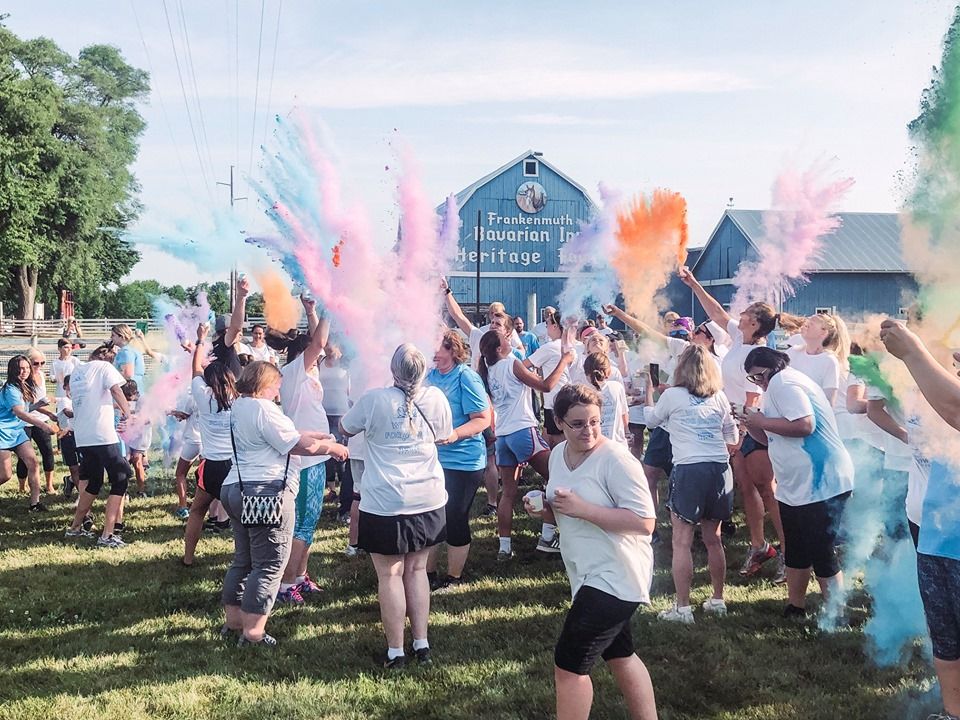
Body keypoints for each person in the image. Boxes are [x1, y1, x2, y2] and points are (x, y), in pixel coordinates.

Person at [524, 383, 658, 720]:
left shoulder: (616, 460)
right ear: (558, 422)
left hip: (617, 575)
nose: (589, 431)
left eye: (595, 422)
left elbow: (645, 522)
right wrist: (545, 511)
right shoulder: (558, 455)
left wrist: (583, 509)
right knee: (621, 654)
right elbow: (565, 509)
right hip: (586, 573)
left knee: (568, 665)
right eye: (578, 424)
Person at [340, 344, 453, 668]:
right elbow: (444, 435)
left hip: (384, 500)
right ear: (423, 371)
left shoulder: (374, 399)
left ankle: (396, 652)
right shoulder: (436, 398)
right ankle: (421, 644)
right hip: (427, 497)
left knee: (390, 575)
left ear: (393, 371)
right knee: (417, 570)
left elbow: (345, 427)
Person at [220, 360, 346, 647]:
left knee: (243, 560)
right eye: (276, 385)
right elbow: (297, 446)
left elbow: (274, 437)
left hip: (236, 487)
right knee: (269, 564)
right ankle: (253, 633)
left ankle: (234, 622)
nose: (279, 391)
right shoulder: (264, 409)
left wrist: (310, 435)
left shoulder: (240, 406)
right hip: (265, 491)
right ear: (264, 384)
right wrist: (332, 447)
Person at [679, 266, 786, 582]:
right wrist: (694, 284)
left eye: (747, 313)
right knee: (747, 487)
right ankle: (759, 545)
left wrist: (739, 434)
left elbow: (754, 397)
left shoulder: (760, 352)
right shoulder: (740, 338)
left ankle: (789, 550)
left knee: (767, 489)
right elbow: (715, 311)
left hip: (753, 428)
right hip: (735, 424)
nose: (740, 314)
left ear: (755, 322)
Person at [879, 319, 960, 720]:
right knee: (946, 639)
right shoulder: (940, 390)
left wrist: (913, 351)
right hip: (937, 538)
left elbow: (956, 409)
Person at [741, 347, 854, 618]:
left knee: (821, 549)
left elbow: (805, 425)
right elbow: (769, 438)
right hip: (796, 484)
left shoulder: (784, 383)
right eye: (753, 379)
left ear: (773, 367)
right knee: (796, 548)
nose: (758, 383)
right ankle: (796, 606)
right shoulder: (777, 385)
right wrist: (752, 423)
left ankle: (836, 613)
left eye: (759, 376)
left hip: (820, 480)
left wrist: (761, 419)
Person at [643, 345, 738, 623]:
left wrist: (649, 393)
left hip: (689, 468)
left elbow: (651, 421)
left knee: (681, 541)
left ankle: (683, 608)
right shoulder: (719, 396)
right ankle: (718, 600)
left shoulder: (672, 395)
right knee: (714, 539)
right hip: (719, 468)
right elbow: (732, 437)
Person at [479, 326, 575, 558]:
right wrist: (564, 360)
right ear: (499, 348)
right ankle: (548, 537)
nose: (509, 339)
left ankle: (504, 548)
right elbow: (547, 386)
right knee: (558, 477)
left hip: (503, 436)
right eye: (505, 339)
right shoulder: (511, 364)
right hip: (522, 431)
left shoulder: (489, 369)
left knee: (507, 494)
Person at [274, 298, 332, 604]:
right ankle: (285, 584)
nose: (318, 358)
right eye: (313, 355)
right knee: (302, 524)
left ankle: (299, 577)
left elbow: (318, 343)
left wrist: (311, 312)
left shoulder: (307, 374)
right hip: (304, 459)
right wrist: (330, 306)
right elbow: (319, 342)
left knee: (311, 520)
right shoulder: (294, 372)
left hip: (317, 456)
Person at [425, 330, 492, 591]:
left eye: (438, 348)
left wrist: (454, 435)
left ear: (453, 350)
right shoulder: (429, 376)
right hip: (435, 459)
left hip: (464, 461)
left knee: (455, 516)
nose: (434, 354)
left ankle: (454, 577)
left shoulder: (466, 377)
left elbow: (483, 419)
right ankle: (427, 574)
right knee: (432, 515)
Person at [64, 345, 133, 548]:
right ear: (110, 360)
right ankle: (107, 535)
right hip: (102, 435)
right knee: (121, 477)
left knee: (94, 482)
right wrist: (128, 414)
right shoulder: (105, 367)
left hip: (83, 437)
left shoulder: (78, 371)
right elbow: (116, 390)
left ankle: (75, 528)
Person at [183, 323, 237, 567]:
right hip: (234, 466)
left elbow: (196, 368)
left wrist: (200, 339)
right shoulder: (238, 400)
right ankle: (242, 560)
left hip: (211, 465)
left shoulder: (203, 396)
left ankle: (188, 558)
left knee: (197, 512)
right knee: (240, 517)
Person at [0, 355, 53, 511]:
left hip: (17, 432)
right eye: (21, 368)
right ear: (12, 370)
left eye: (27, 368)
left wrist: (41, 406)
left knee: (33, 463)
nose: (25, 371)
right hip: (3, 433)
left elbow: (25, 408)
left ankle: (35, 503)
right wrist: (43, 425)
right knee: (5, 475)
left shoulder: (23, 386)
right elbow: (19, 412)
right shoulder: (10, 389)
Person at [440, 278, 524, 368]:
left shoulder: (511, 359)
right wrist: (446, 291)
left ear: (508, 332)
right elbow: (458, 315)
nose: (493, 326)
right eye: (492, 322)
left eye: (498, 324)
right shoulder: (479, 337)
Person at [525, 309, 573, 448]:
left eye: (547, 324)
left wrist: (533, 378)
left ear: (555, 326)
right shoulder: (572, 345)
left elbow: (523, 366)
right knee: (545, 442)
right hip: (564, 399)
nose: (546, 327)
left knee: (559, 445)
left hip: (554, 402)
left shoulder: (550, 347)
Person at [317, 342, 351, 521]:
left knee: (342, 456)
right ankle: (331, 490)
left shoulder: (345, 364)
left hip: (341, 413)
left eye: (330, 343)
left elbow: (350, 390)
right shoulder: (320, 362)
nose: (327, 347)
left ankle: (344, 492)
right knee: (327, 454)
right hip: (324, 413)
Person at [15, 348, 57, 495]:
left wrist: (49, 413)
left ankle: (49, 485)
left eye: (42, 363)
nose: (39, 366)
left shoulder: (41, 375)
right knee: (24, 456)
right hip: (25, 421)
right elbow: (29, 405)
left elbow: (41, 401)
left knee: (48, 452)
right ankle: (22, 486)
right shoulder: (22, 380)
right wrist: (47, 411)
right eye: (35, 363)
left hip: (41, 420)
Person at [786, 313, 849, 405]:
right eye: (806, 323)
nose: (805, 325)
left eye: (810, 324)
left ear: (823, 333)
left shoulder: (829, 361)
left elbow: (829, 401)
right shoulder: (791, 352)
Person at [583, 352, 629, 447]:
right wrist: (627, 432)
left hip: (594, 445)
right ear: (609, 372)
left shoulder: (584, 393)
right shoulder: (617, 387)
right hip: (618, 444)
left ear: (586, 374)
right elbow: (624, 413)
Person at [111, 324, 145, 390]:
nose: (111, 338)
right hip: (137, 388)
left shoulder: (126, 351)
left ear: (121, 336)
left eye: (113, 335)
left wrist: (110, 377)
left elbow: (127, 374)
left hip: (129, 390)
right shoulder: (133, 349)